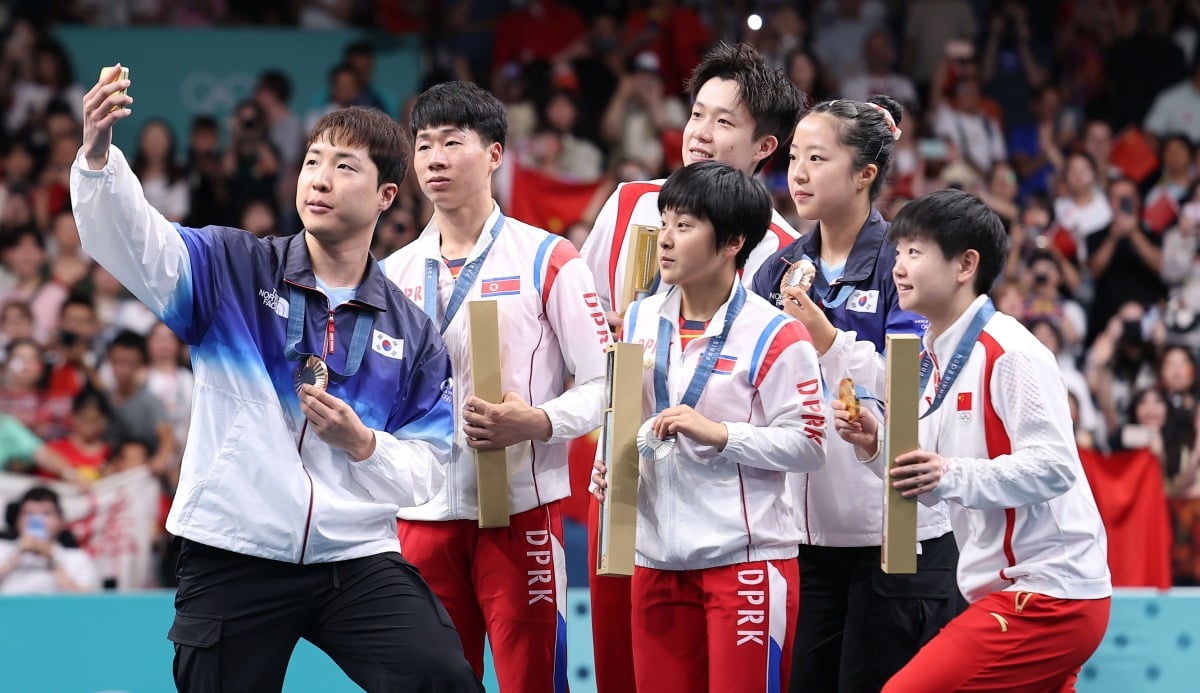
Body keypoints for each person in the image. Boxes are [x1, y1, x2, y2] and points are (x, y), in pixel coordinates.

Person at [71, 66, 479, 692]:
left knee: (441, 678)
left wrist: (363, 445)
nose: (319, 178)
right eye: (313, 160)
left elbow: (428, 468)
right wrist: (99, 157)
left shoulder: (413, 331)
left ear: (386, 196)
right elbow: (136, 242)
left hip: (355, 555)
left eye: (345, 167)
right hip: (235, 547)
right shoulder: (233, 267)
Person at [579, 43, 805, 690]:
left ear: (765, 145)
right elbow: (591, 324)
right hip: (623, 475)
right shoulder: (628, 206)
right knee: (624, 665)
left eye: (724, 121)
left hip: (725, 504)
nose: (700, 134)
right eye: (697, 114)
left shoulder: (783, 254)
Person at [833, 189, 1111, 691]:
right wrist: (875, 445)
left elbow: (1054, 467)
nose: (898, 267)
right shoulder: (930, 360)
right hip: (1006, 591)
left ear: (966, 264)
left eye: (915, 252)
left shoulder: (1010, 352)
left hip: (1047, 593)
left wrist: (948, 473)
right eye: (897, 253)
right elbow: (924, 477)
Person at [381, 80, 607, 692]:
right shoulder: (389, 274)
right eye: (423, 144)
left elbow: (605, 385)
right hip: (418, 517)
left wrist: (537, 422)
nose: (434, 158)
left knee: (533, 682)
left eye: (453, 142)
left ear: (495, 154)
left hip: (520, 515)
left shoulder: (550, 258)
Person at [750, 96, 962, 693]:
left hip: (896, 540)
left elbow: (917, 390)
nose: (798, 173)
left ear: (866, 173)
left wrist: (826, 337)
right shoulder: (777, 271)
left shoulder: (907, 263)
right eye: (793, 157)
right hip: (807, 545)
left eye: (817, 158)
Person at [0, 486, 100, 594]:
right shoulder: (3, 548)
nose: (37, 521)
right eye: (29, 514)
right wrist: (17, 555)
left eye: (46, 514)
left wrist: (51, 559)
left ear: (61, 521)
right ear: (17, 521)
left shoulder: (76, 557)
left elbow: (85, 602)